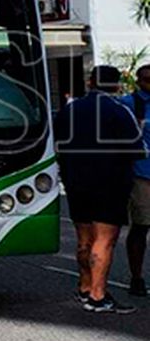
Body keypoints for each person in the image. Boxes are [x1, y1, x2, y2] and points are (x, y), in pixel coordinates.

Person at [54, 65, 146, 313]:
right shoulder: (120, 111)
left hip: (75, 181)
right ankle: (98, 295)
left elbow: (57, 143)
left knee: (84, 239)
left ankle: (85, 287)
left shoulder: (70, 110)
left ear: (91, 82)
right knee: (104, 240)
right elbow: (136, 150)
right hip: (110, 182)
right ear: (116, 85)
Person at [123, 64, 150, 297]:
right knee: (141, 226)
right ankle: (137, 277)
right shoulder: (130, 104)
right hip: (142, 174)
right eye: (148, 80)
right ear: (139, 82)